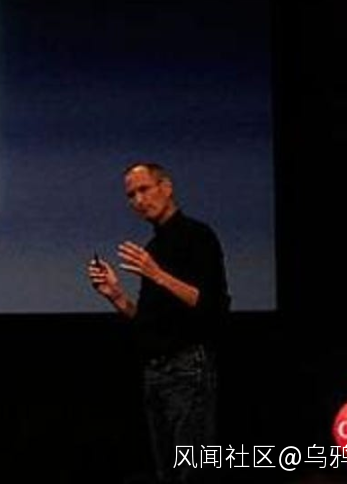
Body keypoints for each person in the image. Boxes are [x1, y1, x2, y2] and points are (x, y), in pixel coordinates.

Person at [88, 163, 230, 483]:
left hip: (188, 369)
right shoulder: (152, 248)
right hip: (156, 371)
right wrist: (116, 296)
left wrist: (157, 274)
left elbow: (212, 305)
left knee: (192, 472)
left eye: (144, 189)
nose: (138, 200)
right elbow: (149, 323)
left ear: (166, 187)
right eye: (131, 195)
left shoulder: (198, 236)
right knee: (166, 472)